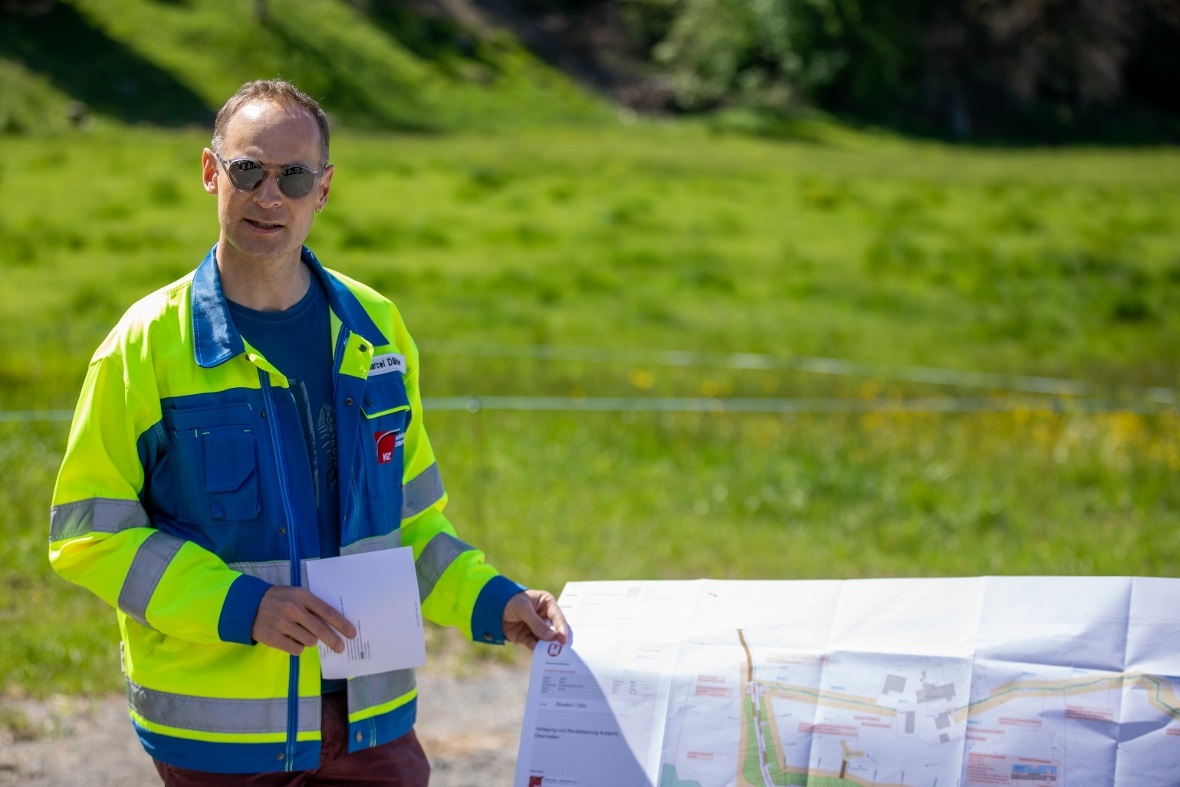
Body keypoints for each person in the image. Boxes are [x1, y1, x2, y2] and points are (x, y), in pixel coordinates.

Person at [48, 78, 568, 786]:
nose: (270, 195)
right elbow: (89, 533)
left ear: (322, 190)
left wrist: (495, 600)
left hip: (372, 721)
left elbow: (406, 527)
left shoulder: (376, 329)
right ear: (210, 172)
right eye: (248, 170)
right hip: (218, 739)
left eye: (293, 176)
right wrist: (242, 607)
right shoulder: (143, 347)